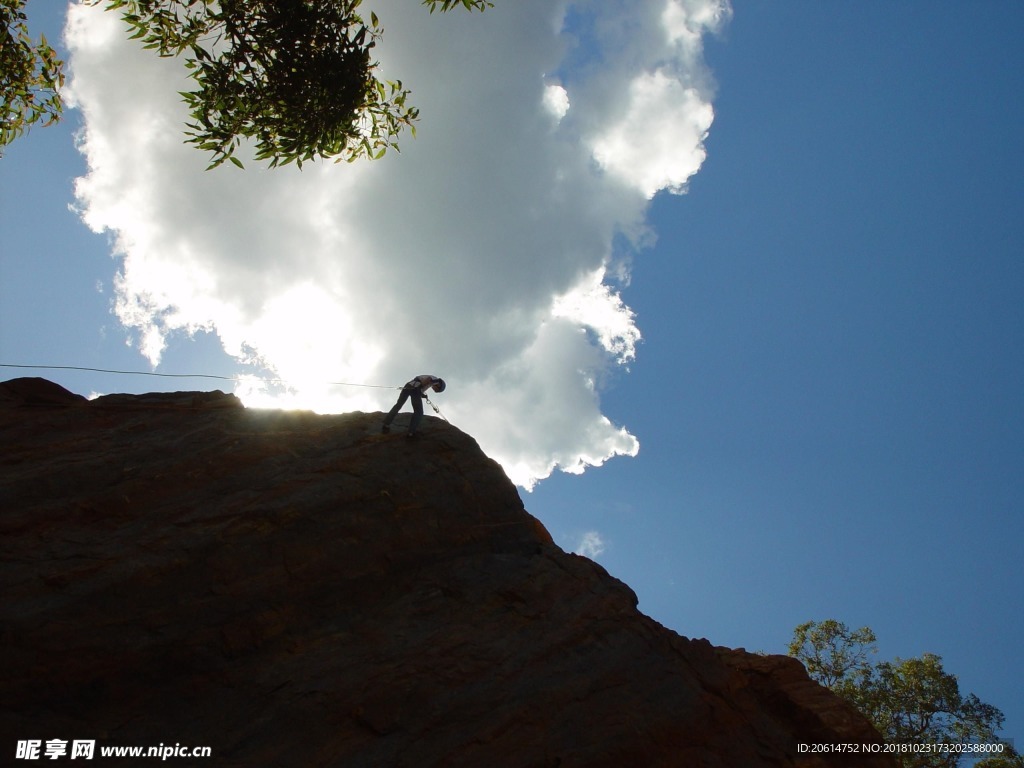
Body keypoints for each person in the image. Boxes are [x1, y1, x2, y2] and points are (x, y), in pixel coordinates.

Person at [382, 375, 446, 437]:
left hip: (409, 385)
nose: (434, 390)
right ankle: (411, 433)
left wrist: (422, 394)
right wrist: (420, 388)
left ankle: (386, 424)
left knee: (399, 404)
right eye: (436, 390)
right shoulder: (436, 381)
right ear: (439, 386)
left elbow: (421, 385)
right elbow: (428, 380)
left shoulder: (432, 382)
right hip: (415, 389)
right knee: (419, 412)